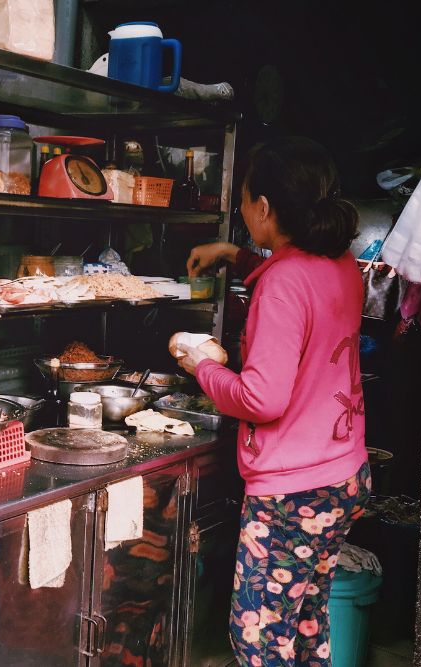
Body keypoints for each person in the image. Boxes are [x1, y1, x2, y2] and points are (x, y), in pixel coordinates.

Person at [178, 136, 371, 666]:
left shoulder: (283, 283)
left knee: (259, 640)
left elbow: (261, 399)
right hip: (343, 475)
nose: (242, 211)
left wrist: (204, 367)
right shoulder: (342, 263)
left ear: (263, 208)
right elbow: (300, 292)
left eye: (243, 201)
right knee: (306, 621)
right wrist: (235, 255)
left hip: (294, 492)